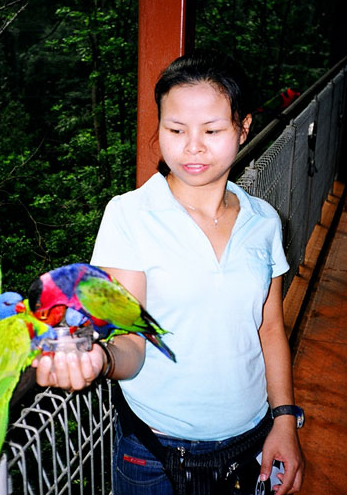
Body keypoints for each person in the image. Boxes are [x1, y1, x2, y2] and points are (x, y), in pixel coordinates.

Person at [32, 50, 305, 494]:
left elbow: (270, 328)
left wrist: (285, 420)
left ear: (244, 127)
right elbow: (130, 342)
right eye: (175, 129)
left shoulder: (264, 221)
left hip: (252, 442)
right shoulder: (130, 215)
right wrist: (99, 359)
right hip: (155, 454)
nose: (192, 146)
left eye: (212, 130)